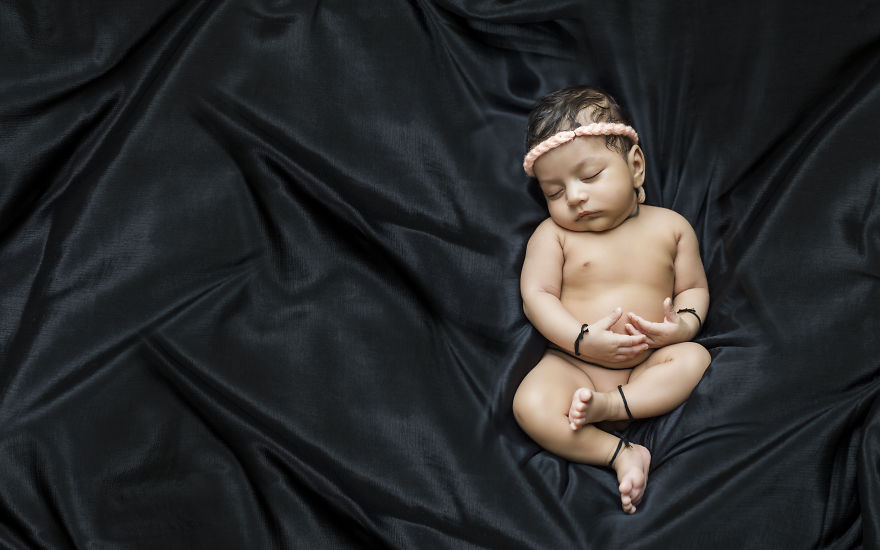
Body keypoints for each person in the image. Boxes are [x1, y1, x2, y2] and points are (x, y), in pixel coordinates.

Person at [512, 86, 711, 514]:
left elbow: (693, 289)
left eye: (589, 177)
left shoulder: (671, 228)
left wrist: (682, 325)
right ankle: (619, 453)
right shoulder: (554, 235)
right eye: (554, 192)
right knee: (530, 405)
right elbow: (536, 296)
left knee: (694, 358)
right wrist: (581, 339)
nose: (575, 196)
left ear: (635, 166)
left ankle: (612, 407)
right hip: (575, 366)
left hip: (647, 363)